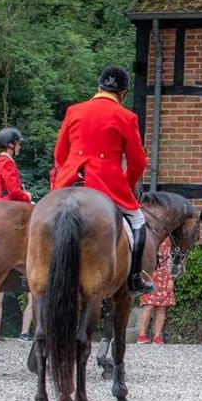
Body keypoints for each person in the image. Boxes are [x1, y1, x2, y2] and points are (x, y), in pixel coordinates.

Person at [52, 66, 152, 294]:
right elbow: (138, 161)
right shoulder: (127, 117)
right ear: (123, 94)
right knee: (137, 221)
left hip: (69, 180)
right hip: (106, 183)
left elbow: (59, 154)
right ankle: (134, 278)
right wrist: (126, 183)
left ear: (98, 88)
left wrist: (73, 171)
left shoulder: (74, 110)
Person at [0, 127, 32, 339]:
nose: (20, 146)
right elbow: (13, 191)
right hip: (6, 205)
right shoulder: (6, 161)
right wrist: (27, 195)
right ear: (11, 144)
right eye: (19, 143)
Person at [137, 237, 175, 345]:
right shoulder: (150, 236)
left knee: (162, 308)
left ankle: (157, 337)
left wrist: (171, 277)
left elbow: (170, 259)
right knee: (148, 305)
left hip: (164, 274)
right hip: (151, 273)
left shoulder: (168, 238)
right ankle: (142, 336)